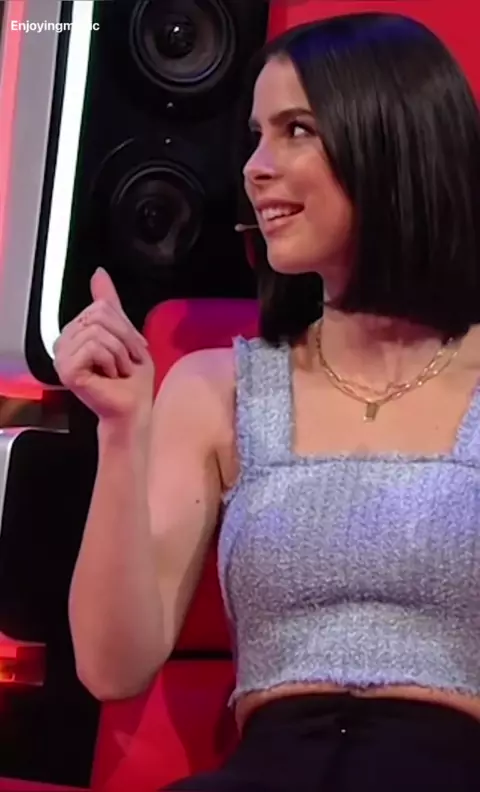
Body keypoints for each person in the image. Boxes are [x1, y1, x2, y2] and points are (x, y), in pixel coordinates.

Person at [53, 11, 480, 792]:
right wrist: (121, 430)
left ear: (392, 142)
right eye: (255, 136)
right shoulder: (214, 387)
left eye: (296, 131)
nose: (254, 167)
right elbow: (112, 668)